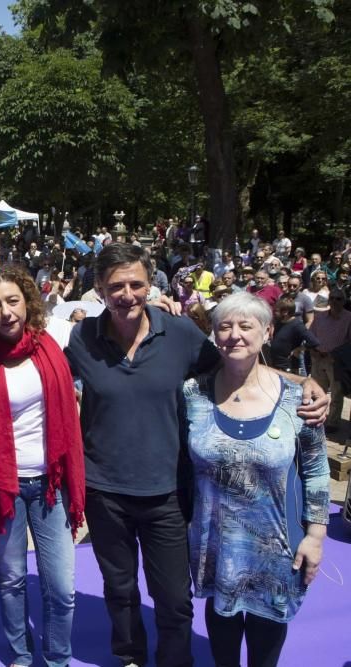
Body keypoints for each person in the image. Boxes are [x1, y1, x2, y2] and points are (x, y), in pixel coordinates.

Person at [63, 243, 328, 667]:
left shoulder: (179, 331)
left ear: (150, 285)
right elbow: (47, 382)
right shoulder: (81, 338)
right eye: (116, 286)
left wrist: (302, 380)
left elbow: (237, 361)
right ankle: (130, 656)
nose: (127, 294)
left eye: (137, 284)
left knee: (172, 597)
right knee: (119, 588)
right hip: (104, 489)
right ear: (99, 288)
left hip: (168, 491)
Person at [184, 292, 329, 667]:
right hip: (214, 543)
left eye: (246, 326)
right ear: (214, 335)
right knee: (222, 632)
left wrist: (315, 537)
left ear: (267, 333)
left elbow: (316, 470)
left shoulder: (299, 400)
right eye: (225, 326)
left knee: (265, 646)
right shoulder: (193, 394)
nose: (235, 335)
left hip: (275, 547)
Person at [0, 266, 85, 667]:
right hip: (5, 488)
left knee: (61, 586)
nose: (5, 312)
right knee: (12, 580)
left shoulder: (51, 347)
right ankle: (20, 656)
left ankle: (57, 658)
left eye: (12, 301)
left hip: (52, 484)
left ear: (28, 302)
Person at [308, 290, 351, 435]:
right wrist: (312, 350)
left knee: (336, 395)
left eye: (338, 299)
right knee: (317, 391)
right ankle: (316, 417)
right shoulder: (320, 317)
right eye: (332, 298)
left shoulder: (349, 318)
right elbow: (311, 335)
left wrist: (335, 354)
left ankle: (333, 423)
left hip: (336, 361)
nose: (334, 301)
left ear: (343, 301)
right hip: (318, 358)